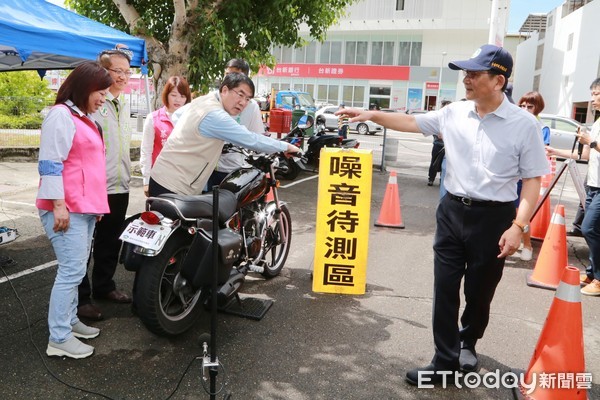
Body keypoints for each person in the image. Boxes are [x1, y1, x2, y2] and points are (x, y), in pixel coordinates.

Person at [336, 44, 549, 384]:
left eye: (475, 73)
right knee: (445, 286)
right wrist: (372, 114)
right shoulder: (454, 113)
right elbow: (411, 121)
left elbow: (533, 180)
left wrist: (518, 226)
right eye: (466, 72)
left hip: (494, 219)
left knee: (480, 291)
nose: (467, 79)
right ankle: (444, 359)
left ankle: (468, 340)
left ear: (498, 81)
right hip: (451, 212)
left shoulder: (523, 124)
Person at [37, 61, 113, 358]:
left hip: (83, 209)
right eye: (101, 92)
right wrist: (59, 206)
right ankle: (58, 337)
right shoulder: (61, 116)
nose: (104, 99)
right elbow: (50, 164)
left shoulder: (82, 118)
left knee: (77, 270)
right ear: (85, 87)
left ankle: (68, 321)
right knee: (71, 272)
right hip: (67, 208)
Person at [149, 72, 300, 197]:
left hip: (162, 177)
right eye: (240, 94)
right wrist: (285, 146)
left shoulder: (204, 100)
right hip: (175, 186)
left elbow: (176, 116)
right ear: (225, 90)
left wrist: (194, 137)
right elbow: (250, 138)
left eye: (248, 99)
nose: (243, 102)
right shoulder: (215, 114)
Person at [78, 45, 134, 321]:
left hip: (120, 184)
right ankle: (81, 297)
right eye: (118, 71)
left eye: (127, 71)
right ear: (104, 71)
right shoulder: (94, 102)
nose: (124, 76)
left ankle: (104, 286)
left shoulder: (124, 103)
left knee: (110, 241)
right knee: (84, 244)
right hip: (94, 186)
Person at [546, 77, 600, 296]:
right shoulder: (597, 123)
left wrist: (592, 142)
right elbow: (586, 154)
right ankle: (591, 272)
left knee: (588, 228)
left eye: (597, 94)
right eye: (593, 94)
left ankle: (598, 278)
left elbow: (592, 146)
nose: (593, 99)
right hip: (593, 184)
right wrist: (555, 151)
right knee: (592, 229)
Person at [206, 58, 266, 190]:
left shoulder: (252, 106)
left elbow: (257, 137)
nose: (229, 79)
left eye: (234, 75)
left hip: (236, 168)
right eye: (226, 75)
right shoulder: (214, 99)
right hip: (209, 168)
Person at [140, 75, 192, 196]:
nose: (178, 100)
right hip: (159, 180)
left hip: (183, 181)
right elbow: (146, 151)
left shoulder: (190, 120)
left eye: (182, 96)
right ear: (166, 95)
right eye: (173, 95)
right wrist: (146, 180)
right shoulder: (153, 118)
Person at [516, 91, 551, 261]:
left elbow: (538, 155)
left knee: (522, 215)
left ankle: (528, 245)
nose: (525, 109)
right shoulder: (515, 123)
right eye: (522, 105)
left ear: (537, 108)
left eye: (530, 106)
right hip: (511, 178)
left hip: (527, 179)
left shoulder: (541, 127)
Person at [428, 100, 451, 187]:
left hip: (448, 146)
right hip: (438, 145)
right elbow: (437, 134)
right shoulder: (438, 119)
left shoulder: (453, 119)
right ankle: (431, 179)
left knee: (445, 165)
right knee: (434, 162)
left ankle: (442, 180)